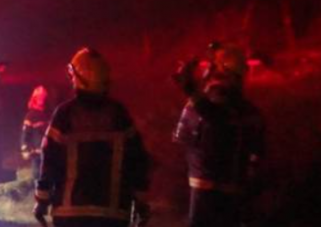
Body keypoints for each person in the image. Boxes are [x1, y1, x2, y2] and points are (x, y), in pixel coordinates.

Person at [34, 48, 151, 227]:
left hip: (69, 214)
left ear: (79, 79)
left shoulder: (64, 114)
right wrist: (141, 201)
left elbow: (50, 159)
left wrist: (42, 200)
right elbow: (137, 160)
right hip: (113, 215)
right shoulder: (119, 115)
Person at [172, 42, 265, 227]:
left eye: (212, 67)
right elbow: (258, 153)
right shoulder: (250, 111)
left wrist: (190, 89)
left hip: (207, 189)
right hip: (234, 190)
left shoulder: (216, 103)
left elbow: (212, 117)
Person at [20, 85, 50, 181]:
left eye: (43, 97)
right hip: (37, 155)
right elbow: (25, 135)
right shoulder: (31, 116)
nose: (42, 99)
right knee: (38, 179)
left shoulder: (47, 114)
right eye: (40, 97)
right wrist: (25, 150)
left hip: (48, 153)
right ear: (35, 99)